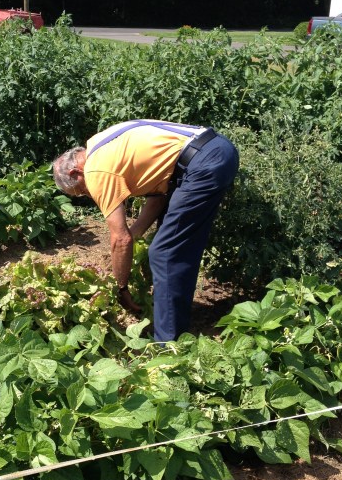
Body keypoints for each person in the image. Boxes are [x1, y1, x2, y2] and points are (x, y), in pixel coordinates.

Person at [52, 119, 239, 342]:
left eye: (81, 192)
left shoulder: (95, 171)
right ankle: (173, 324)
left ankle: (167, 344)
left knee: (164, 253)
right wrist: (136, 233)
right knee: (173, 247)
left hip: (202, 163)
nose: (87, 194)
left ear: (75, 173)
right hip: (213, 151)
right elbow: (157, 199)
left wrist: (121, 287)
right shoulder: (101, 144)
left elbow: (120, 240)